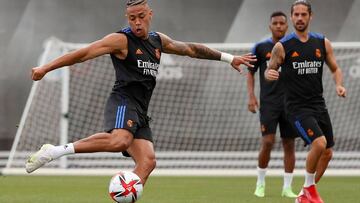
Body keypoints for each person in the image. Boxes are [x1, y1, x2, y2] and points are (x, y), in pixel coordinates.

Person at [25, 0, 256, 188]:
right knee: (120, 140)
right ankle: (55, 151)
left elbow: (191, 49)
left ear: (150, 14)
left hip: (141, 109)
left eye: (141, 16)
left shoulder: (157, 40)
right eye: (132, 18)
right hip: (124, 100)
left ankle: (124, 194)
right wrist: (46, 68)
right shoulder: (121, 40)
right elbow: (84, 53)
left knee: (147, 162)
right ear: (128, 18)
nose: (137, 22)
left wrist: (228, 58)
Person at [265, 1, 346, 203]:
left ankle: (304, 193)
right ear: (291, 18)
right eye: (296, 15)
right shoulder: (282, 46)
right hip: (296, 108)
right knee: (319, 143)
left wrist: (339, 85)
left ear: (311, 16)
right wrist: (270, 74)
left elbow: (335, 68)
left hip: (319, 105)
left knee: (327, 153)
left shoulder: (322, 42)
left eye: (304, 14)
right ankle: (309, 191)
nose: (300, 18)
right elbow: (269, 70)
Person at [248, 11, 297, 198]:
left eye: (282, 23)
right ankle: (260, 183)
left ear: (287, 26)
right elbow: (251, 73)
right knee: (268, 142)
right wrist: (251, 97)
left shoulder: (294, 46)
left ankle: (287, 187)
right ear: (270, 26)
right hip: (269, 103)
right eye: (275, 23)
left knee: (289, 144)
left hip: (291, 102)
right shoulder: (261, 47)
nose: (278, 26)